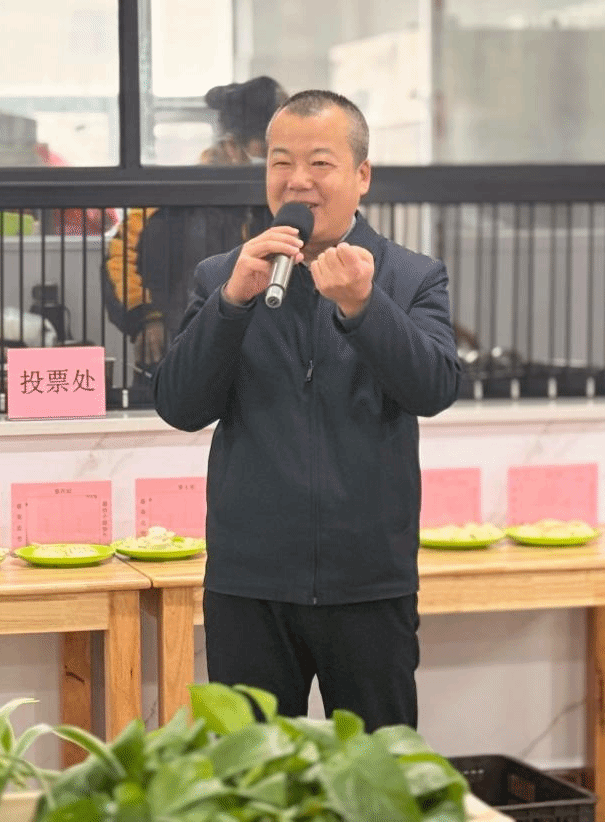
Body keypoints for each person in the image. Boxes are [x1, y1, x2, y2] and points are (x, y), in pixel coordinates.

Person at [153, 90, 461, 730]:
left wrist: (365, 306)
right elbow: (180, 406)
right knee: (252, 773)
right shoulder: (224, 275)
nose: (297, 180)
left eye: (320, 163)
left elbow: (434, 388)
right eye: (280, 162)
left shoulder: (410, 276)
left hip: (368, 582)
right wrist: (231, 303)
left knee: (376, 769)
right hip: (249, 584)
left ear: (361, 175)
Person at [103, 76, 286, 371]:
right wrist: (146, 317)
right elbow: (119, 259)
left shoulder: (283, 200)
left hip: (262, 362)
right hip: (181, 355)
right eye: (269, 151)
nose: (278, 162)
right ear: (232, 146)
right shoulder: (173, 200)